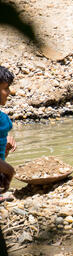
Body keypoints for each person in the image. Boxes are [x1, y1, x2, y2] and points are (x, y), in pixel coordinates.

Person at [0, 66, 17, 198]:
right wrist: (9, 171)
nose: (9, 92)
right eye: (5, 88)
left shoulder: (4, 120)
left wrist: (4, 143)